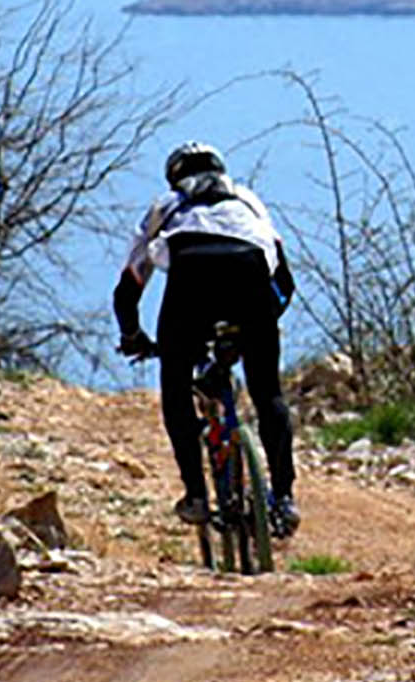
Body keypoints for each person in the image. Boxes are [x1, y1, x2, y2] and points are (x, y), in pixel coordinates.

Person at [114, 141, 301, 537]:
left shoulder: (165, 206)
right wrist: (258, 326)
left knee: (177, 387)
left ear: (175, 177)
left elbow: (130, 283)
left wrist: (132, 334)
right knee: (268, 392)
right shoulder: (248, 200)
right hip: (250, 278)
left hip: (191, 279)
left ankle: (197, 496)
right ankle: (284, 498)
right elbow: (284, 279)